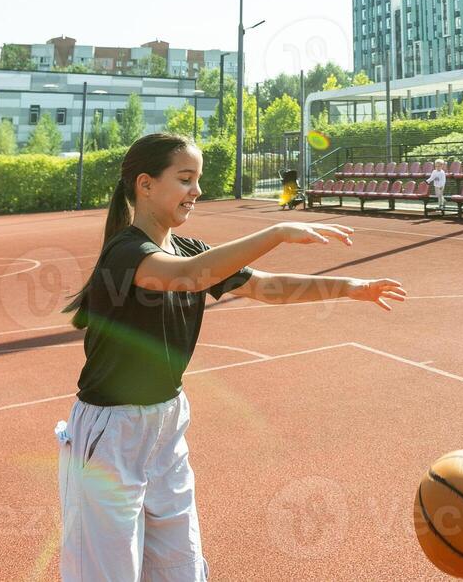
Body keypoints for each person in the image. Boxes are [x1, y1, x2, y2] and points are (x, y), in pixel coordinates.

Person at [57, 132, 405, 581]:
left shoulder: (189, 248)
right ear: (145, 185)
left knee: (181, 571)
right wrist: (276, 231)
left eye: (197, 179)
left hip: (166, 425)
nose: (196, 191)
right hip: (111, 435)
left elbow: (266, 287)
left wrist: (350, 287)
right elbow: (186, 278)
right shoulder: (125, 253)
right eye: (185, 179)